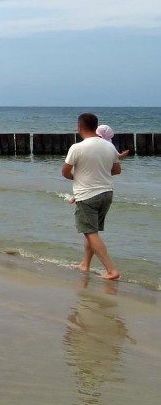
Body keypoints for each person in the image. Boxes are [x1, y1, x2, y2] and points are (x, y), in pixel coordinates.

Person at [62, 113, 121, 280]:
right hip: (106, 194)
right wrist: (99, 173)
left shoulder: (77, 147)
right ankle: (85, 265)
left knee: (89, 232)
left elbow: (65, 172)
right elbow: (117, 170)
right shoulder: (110, 147)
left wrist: (77, 177)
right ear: (96, 127)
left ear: (80, 126)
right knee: (92, 231)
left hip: (87, 195)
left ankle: (111, 270)